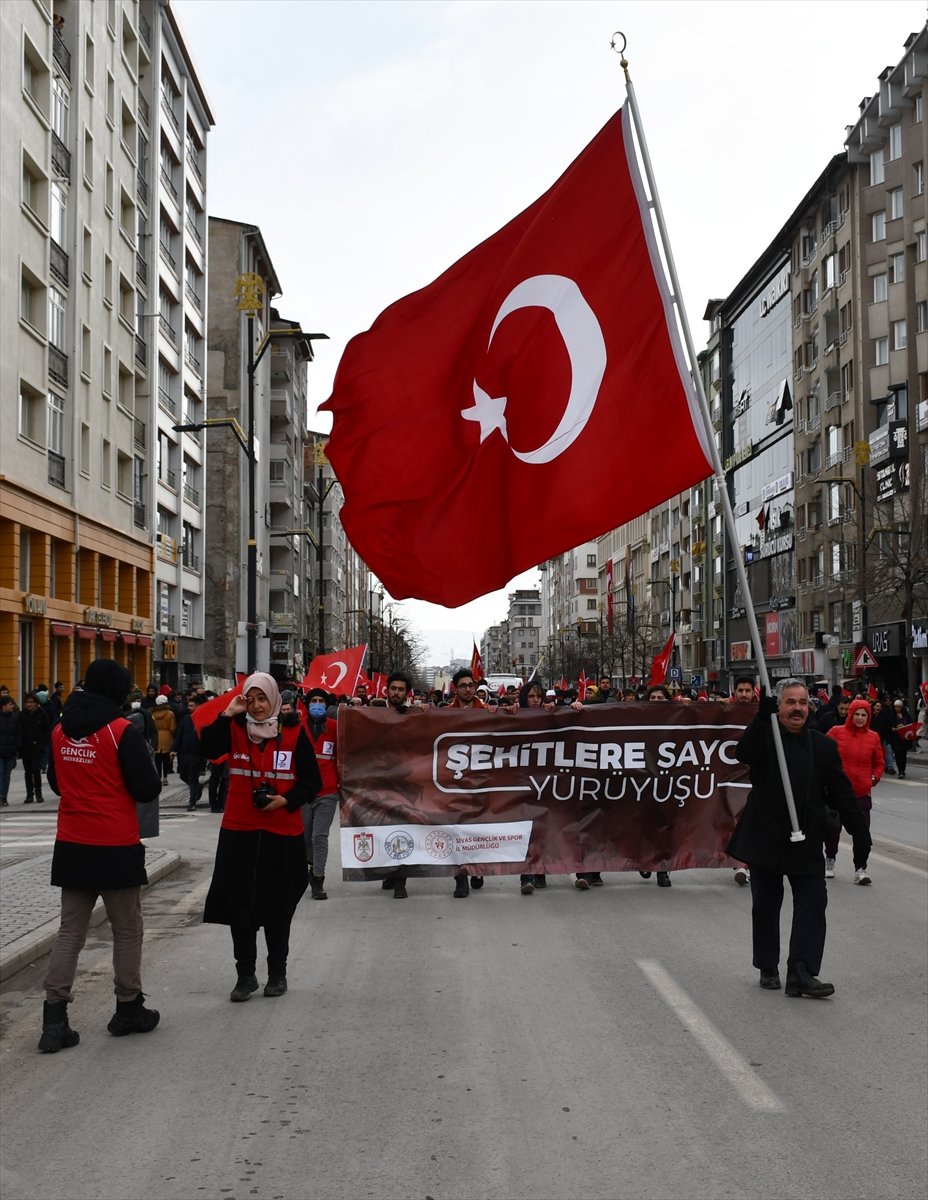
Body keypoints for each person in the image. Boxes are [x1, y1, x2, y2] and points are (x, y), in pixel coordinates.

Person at [38, 658, 162, 1053]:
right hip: (115, 845)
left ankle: (54, 1019)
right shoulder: (121, 731)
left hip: (72, 843)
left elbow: (56, 783)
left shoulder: (60, 729)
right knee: (126, 929)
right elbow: (147, 789)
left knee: (70, 931)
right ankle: (128, 1008)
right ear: (116, 691)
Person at [727, 679, 870, 998]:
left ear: (809, 707)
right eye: (790, 702)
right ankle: (767, 965)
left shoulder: (822, 746)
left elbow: (842, 792)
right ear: (779, 708)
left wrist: (860, 834)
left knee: (813, 902)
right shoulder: (766, 738)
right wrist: (761, 720)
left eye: (803, 703)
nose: (797, 708)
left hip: (805, 838)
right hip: (765, 837)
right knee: (766, 905)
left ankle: (801, 972)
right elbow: (743, 753)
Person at [199, 673, 321, 1002]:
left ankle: (277, 974)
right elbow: (208, 747)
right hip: (239, 833)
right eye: (250, 698)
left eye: (262, 698)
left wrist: (286, 800)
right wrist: (228, 712)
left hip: (282, 834)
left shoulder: (294, 732)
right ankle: (246, 975)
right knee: (239, 907)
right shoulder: (235, 729)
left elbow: (311, 782)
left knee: (278, 908)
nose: (255, 705)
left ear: (274, 700)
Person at [826, 698, 883, 885]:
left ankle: (860, 869)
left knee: (862, 834)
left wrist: (873, 779)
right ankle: (830, 859)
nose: (859, 718)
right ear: (850, 714)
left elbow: (879, 763)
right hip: (837, 793)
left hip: (861, 794)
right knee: (832, 830)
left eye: (863, 715)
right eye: (856, 714)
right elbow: (821, 752)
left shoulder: (873, 737)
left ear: (868, 717)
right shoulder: (836, 732)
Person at [446, 668, 485, 898]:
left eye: (471, 685)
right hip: (455, 781)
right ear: (455, 689)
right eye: (463, 686)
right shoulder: (445, 715)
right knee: (456, 829)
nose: (468, 689)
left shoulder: (488, 712)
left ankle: (477, 868)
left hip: (481, 780)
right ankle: (460, 877)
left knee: (477, 827)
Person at [298, 688, 340, 900]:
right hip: (303, 791)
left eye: (321, 701)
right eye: (313, 700)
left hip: (327, 791)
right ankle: (310, 865)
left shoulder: (334, 727)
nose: (317, 704)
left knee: (319, 836)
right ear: (307, 704)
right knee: (305, 836)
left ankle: (318, 879)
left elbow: (342, 756)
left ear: (326, 704)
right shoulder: (297, 727)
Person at [637, 685, 673, 887]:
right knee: (644, 824)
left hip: (668, 779)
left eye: (661, 698)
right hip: (642, 779)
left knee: (664, 824)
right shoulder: (637, 718)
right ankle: (645, 859)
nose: (657, 701)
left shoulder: (677, 718)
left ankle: (662, 869)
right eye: (653, 697)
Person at [174, 697, 207, 811]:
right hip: (184, 752)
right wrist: (174, 749)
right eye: (188, 705)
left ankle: (192, 802)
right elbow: (180, 734)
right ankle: (198, 787)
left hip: (197, 753)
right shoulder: (186, 718)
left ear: (198, 706)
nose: (189, 708)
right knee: (183, 775)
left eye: (192, 706)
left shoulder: (204, 718)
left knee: (193, 778)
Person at [19, 692, 50, 803]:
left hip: (38, 748)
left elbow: (47, 731)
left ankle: (38, 794)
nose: (29, 704)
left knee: (36, 771)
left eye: (31, 702)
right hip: (25, 747)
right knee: (27, 772)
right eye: (27, 702)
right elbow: (19, 731)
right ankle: (29, 795)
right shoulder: (21, 715)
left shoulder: (42, 714)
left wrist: (43, 744)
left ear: (36, 703)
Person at [0, 694, 20, 806]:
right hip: (0, 751)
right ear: (3, 706)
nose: (12, 706)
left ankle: (4, 797)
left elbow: (19, 732)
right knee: (0, 774)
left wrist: (16, 746)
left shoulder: (15, 718)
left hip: (10, 751)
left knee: (6, 776)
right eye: (10, 704)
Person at [150, 694, 176, 779]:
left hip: (156, 737)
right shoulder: (170, 713)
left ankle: (159, 777)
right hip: (167, 737)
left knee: (157, 759)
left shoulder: (152, 713)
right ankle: (165, 777)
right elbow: (172, 728)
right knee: (166, 759)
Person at [889, 698, 912, 778]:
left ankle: (903, 770)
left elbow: (910, 723)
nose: (897, 708)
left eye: (899, 707)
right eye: (896, 707)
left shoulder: (906, 715)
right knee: (897, 755)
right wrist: (892, 728)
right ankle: (900, 771)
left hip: (904, 738)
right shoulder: (892, 715)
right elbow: (889, 724)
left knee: (903, 755)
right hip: (895, 738)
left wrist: (902, 720)